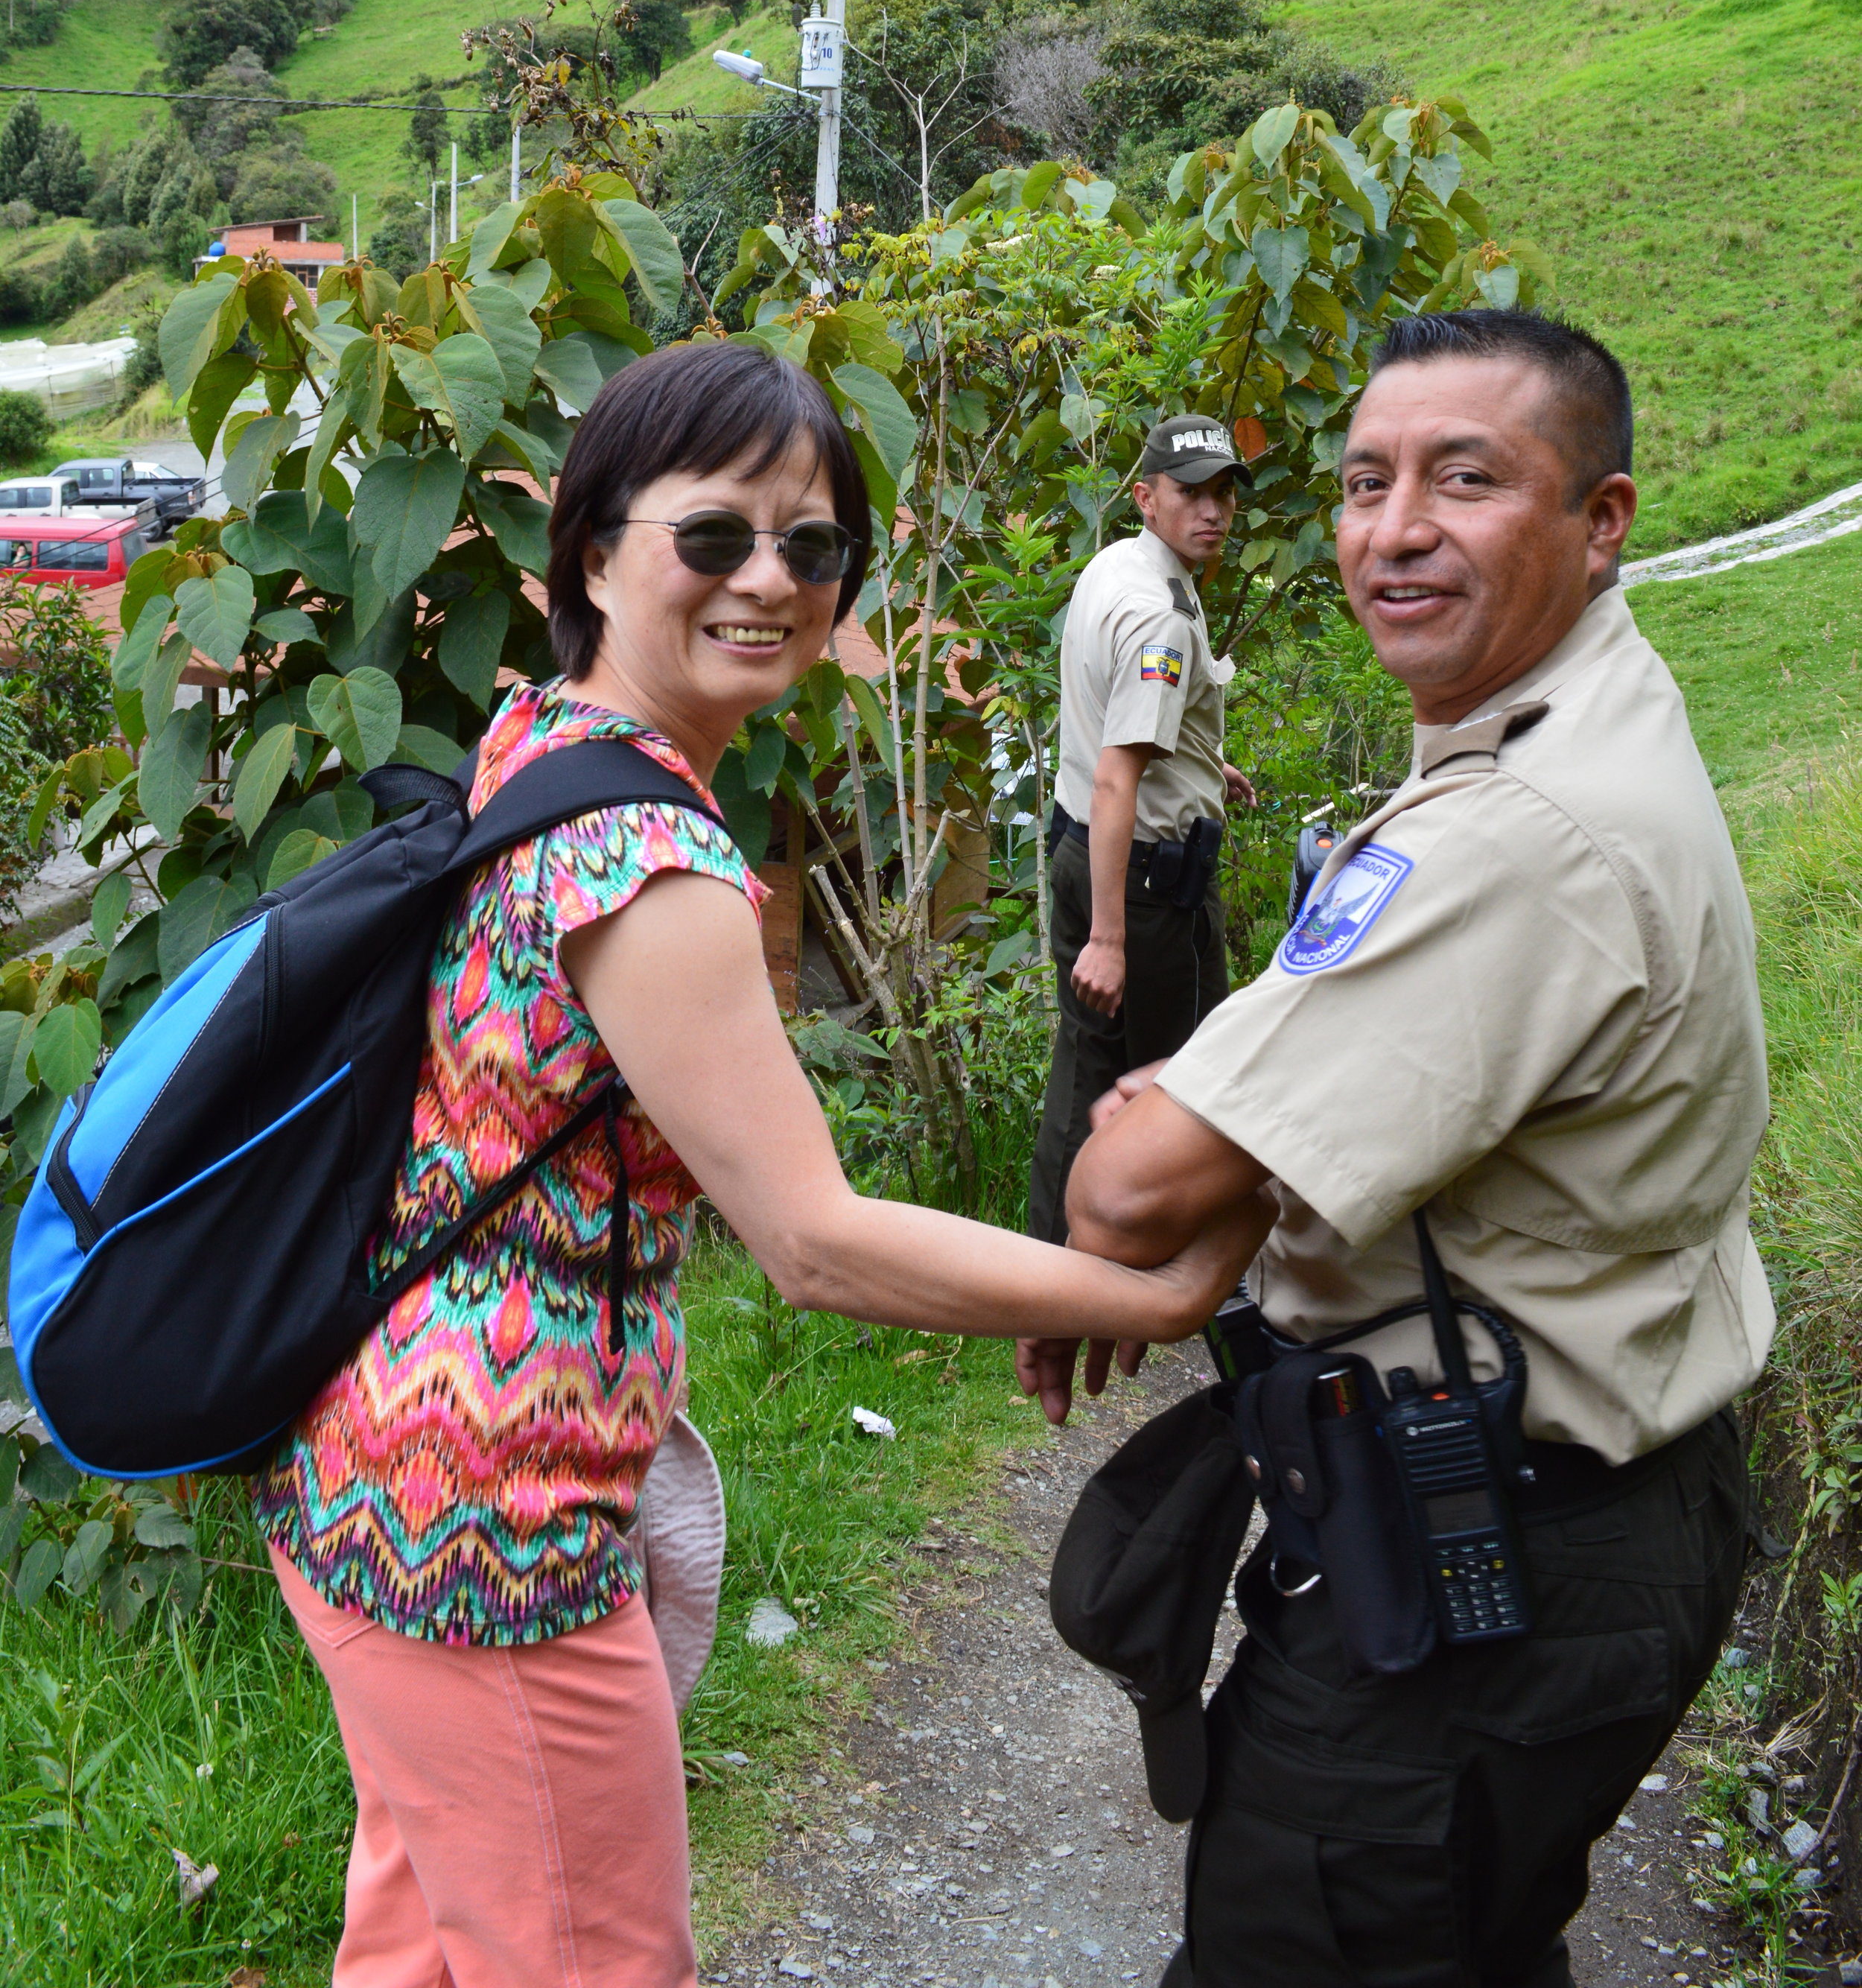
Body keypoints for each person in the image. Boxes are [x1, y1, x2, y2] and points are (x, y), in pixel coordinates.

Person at [252, 340, 1250, 1988]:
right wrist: (1151, 1282)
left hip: (369, 1458)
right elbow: (815, 1240)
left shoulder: (537, 740)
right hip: (484, 1523)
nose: (768, 579)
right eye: (712, 535)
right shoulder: (648, 861)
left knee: (426, 1937)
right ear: (593, 549)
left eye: (813, 545)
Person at [1021, 308, 1772, 1988]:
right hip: (1584, 1502)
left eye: (1464, 478)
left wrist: (1198, 1155)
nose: (1393, 527)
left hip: (1489, 1550)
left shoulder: (1518, 829)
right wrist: (1245, 1127)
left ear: (1600, 519)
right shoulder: (1579, 717)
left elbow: (1125, 1184)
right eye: (1365, 482)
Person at [1027, 415, 1257, 1245]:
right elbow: (1119, 773)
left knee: (1094, 1063)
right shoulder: (1157, 613)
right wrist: (1111, 938)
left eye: (1224, 492)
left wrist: (1199, 763)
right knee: (1157, 1084)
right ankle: (1102, 1266)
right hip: (1139, 879)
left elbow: (1114, 721)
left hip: (1086, 844)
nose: (1213, 510)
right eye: (1191, 492)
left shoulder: (1118, 567)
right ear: (1147, 496)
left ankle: (1059, 1264)